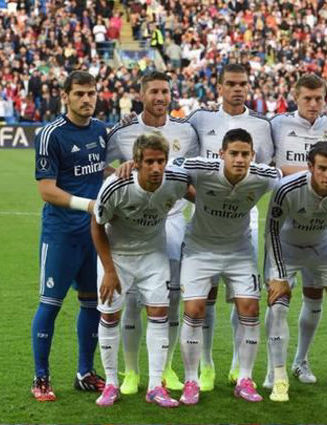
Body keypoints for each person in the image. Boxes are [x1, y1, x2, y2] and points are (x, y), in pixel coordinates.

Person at [105, 71, 199, 395]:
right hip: (132, 221)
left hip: (172, 218)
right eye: (154, 92)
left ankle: (167, 367)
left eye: (165, 92)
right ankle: (130, 371)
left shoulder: (186, 131)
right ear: (141, 95)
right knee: (131, 298)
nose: (160, 98)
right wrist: (119, 172)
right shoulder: (123, 131)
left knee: (170, 297)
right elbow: (105, 168)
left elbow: (192, 175)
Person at [174, 128, 281, 405]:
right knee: (194, 310)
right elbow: (172, 167)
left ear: (253, 155)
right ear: (221, 154)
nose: (239, 159)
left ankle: (245, 378)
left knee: (250, 308)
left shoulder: (264, 175)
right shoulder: (201, 168)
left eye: (245, 154)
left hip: (239, 251)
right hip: (199, 249)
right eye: (233, 153)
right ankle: (191, 380)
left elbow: (290, 183)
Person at [185, 64, 274, 390]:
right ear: (219, 86)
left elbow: (266, 171)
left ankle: (239, 365)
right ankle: (205, 365)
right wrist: (206, 201)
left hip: (243, 220)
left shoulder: (263, 125)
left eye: (243, 84)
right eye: (231, 84)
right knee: (203, 297)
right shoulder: (200, 120)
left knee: (244, 298)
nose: (237, 89)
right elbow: (187, 173)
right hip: (204, 220)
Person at [92, 133, 190, 408]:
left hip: (153, 256)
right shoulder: (116, 186)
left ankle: (155, 386)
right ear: (136, 162)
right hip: (118, 258)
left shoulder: (175, 181)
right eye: (150, 162)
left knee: (160, 313)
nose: (156, 168)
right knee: (110, 316)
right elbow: (97, 225)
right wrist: (109, 270)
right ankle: (111, 383)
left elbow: (200, 193)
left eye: (161, 161)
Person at [264, 142, 327, 402]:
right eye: (322, 168)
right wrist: (277, 274)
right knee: (278, 305)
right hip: (286, 246)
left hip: (322, 246)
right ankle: (278, 377)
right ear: (310, 167)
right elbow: (272, 231)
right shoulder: (286, 188)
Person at [31, 71, 107, 401]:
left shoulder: (102, 130)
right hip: (61, 234)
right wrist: (89, 205)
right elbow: (47, 190)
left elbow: (99, 169)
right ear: (66, 96)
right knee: (50, 305)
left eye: (91, 93)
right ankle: (41, 378)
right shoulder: (50, 134)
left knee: (92, 304)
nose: (86, 99)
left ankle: (84, 372)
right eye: (79, 93)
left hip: (94, 235)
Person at [267, 74, 327, 387]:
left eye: (318, 98)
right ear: (295, 97)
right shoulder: (277, 125)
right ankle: (273, 368)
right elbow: (270, 170)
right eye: (307, 98)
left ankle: (301, 361)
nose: (313, 104)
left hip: (321, 228)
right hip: (283, 230)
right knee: (276, 299)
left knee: (315, 298)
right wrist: (309, 173)